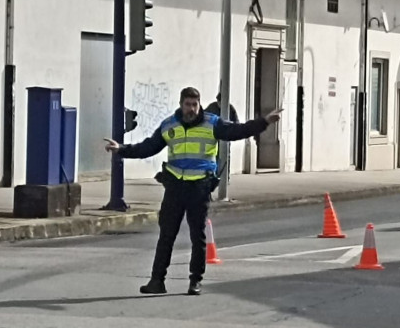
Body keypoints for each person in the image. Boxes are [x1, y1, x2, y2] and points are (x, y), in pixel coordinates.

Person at [104, 87, 281, 296]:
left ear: (199, 105)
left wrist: (264, 122)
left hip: (199, 187)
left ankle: (195, 280)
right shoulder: (169, 125)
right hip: (176, 187)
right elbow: (148, 147)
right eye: (188, 105)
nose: (191, 109)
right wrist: (122, 149)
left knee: (197, 236)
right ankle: (157, 281)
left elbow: (238, 131)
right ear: (181, 104)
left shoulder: (212, 123)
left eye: (194, 105)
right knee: (166, 235)